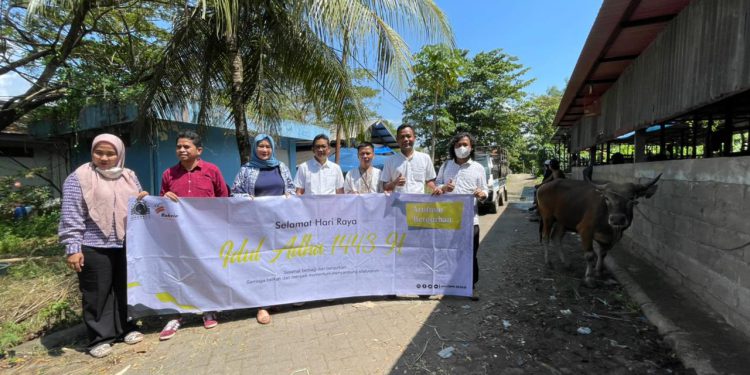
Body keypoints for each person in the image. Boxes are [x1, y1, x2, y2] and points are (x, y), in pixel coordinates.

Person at [59, 134, 147, 358]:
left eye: (110, 153)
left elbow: (138, 206)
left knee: (124, 288)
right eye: (99, 153)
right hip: (93, 244)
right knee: (97, 292)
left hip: (127, 242)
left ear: (119, 154)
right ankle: (100, 337)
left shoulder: (129, 176)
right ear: (92, 153)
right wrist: (73, 248)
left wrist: (144, 199)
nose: (104, 158)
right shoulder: (78, 177)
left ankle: (126, 328)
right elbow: (71, 214)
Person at [157, 130, 229, 341]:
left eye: (186, 146)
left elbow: (224, 200)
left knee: (206, 269)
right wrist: (165, 199)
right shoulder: (168, 174)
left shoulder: (212, 171)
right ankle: (180, 314)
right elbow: (160, 206)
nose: (181, 150)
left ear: (199, 150)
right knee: (181, 272)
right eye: (179, 146)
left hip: (207, 233)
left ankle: (209, 309)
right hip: (179, 234)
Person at [231, 134, 296, 325]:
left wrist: (288, 197)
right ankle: (262, 305)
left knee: (279, 260)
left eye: (268, 146)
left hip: (280, 224)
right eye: (261, 146)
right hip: (256, 225)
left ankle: (277, 298)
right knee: (260, 262)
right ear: (255, 149)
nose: (265, 150)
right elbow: (235, 192)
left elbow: (291, 189)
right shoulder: (246, 169)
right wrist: (246, 198)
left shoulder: (281, 167)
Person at [435, 133, 487, 300]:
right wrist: (444, 187)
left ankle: (471, 287)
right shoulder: (445, 166)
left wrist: (482, 194)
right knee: (446, 252)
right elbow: (436, 187)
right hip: (447, 219)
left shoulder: (478, 168)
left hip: (470, 220)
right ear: (453, 147)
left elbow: (485, 190)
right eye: (458, 145)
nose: (461, 148)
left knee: (469, 254)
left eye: (465, 144)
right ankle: (445, 285)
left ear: (471, 147)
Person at [380, 124, 442, 195]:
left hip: (418, 204)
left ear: (414, 138)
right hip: (397, 204)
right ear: (397, 139)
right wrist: (394, 183)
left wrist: (435, 188)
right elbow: (385, 187)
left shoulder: (425, 158)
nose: (406, 139)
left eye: (408, 136)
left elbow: (430, 181)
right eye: (402, 137)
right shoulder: (390, 161)